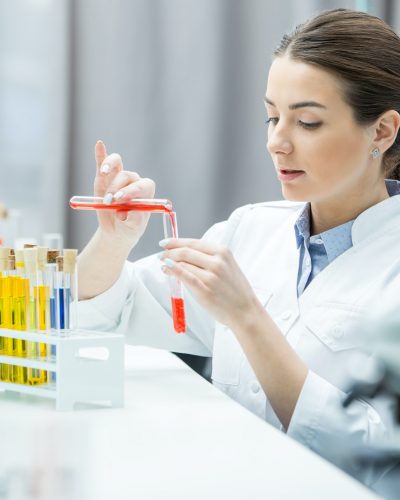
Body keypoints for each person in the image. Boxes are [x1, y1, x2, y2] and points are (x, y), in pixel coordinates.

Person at [77, 8, 400, 491]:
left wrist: (248, 317)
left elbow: (378, 455)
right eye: (272, 117)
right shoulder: (249, 230)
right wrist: (113, 241)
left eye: (307, 122)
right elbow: (106, 319)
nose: (276, 142)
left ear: (382, 130)